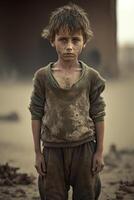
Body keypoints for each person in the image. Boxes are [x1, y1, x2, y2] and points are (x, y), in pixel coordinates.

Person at [28, 3, 106, 200]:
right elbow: (36, 113)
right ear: (52, 40)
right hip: (52, 150)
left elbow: (98, 113)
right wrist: (38, 153)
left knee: (86, 194)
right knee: (52, 195)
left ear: (84, 42)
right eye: (63, 40)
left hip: (85, 149)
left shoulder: (92, 77)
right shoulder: (42, 77)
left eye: (75, 40)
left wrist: (99, 152)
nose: (69, 46)